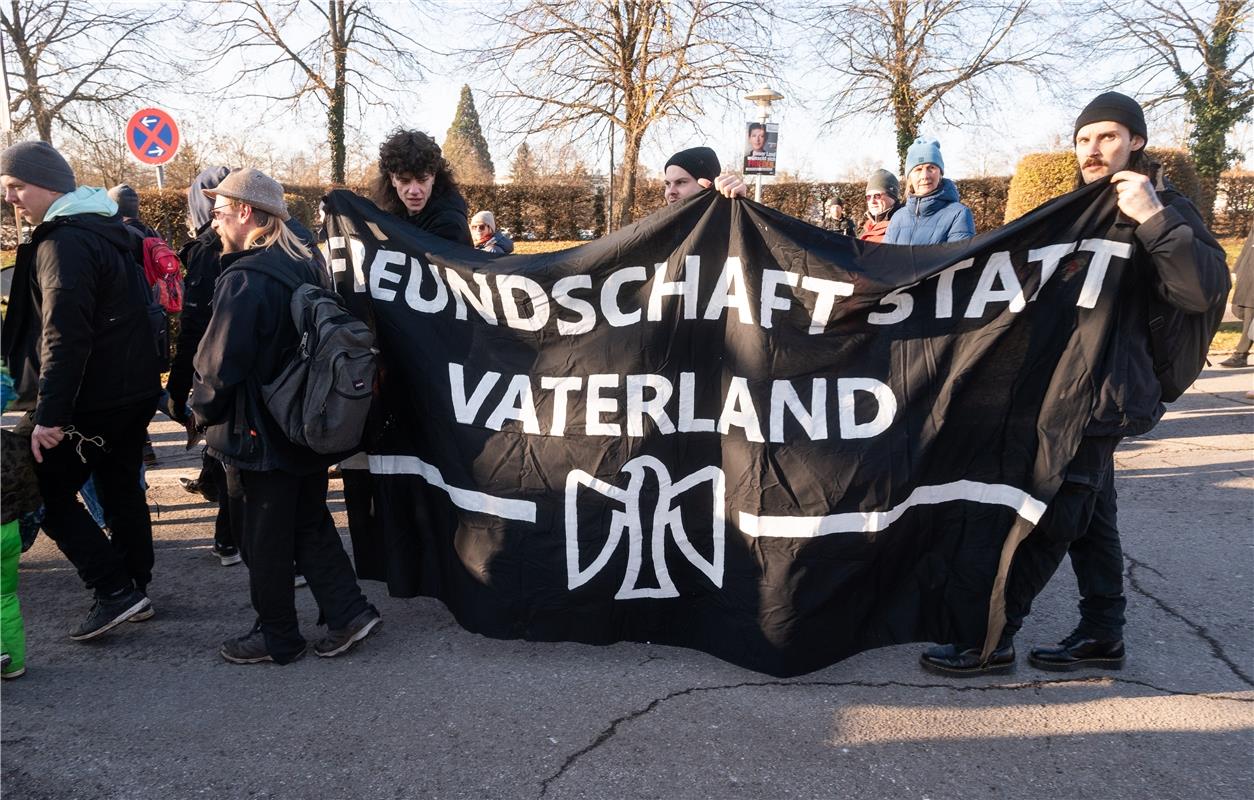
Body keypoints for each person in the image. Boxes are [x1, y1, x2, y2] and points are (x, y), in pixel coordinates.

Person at [920, 91, 1230, 676]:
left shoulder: (1165, 207)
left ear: (1136, 141)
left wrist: (1154, 218)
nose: (1093, 149)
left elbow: (1201, 292)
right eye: (1084, 139)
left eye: (1108, 136)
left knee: (1055, 514)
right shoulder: (1077, 209)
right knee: (1094, 519)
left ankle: (992, 638)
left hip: (1104, 395)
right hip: (1067, 388)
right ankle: (1102, 631)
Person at [190, 168, 381, 664]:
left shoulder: (245, 278)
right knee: (309, 521)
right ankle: (349, 613)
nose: (214, 223)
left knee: (264, 536)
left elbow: (219, 364)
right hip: (305, 420)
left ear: (246, 213)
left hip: (257, 432)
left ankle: (276, 635)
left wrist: (200, 410)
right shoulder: (304, 263)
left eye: (220, 212)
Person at [0, 141, 160, 640]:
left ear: (46, 184)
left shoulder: (63, 243)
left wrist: (49, 414)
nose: (11, 199)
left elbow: (65, 335)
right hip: (132, 391)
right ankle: (136, 585)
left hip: (90, 398)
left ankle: (114, 590)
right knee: (119, 485)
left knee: (43, 489)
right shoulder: (109, 228)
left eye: (16, 187)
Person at [166, 166, 244, 567]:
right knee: (227, 454)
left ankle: (229, 540)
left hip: (219, 370)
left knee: (232, 456)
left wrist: (180, 391)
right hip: (237, 369)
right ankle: (226, 531)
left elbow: (196, 327)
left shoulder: (207, 251)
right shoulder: (256, 245)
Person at [373, 129, 471, 245]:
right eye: (404, 181)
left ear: (433, 177)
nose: (414, 190)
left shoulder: (451, 224)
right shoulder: (387, 214)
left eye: (422, 180)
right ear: (392, 179)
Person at [884, 138, 975, 245]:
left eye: (931, 168)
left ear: (940, 174)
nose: (925, 176)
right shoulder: (898, 217)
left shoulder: (958, 214)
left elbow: (959, 259)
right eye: (918, 169)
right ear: (910, 177)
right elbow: (885, 258)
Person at [1219, 228, 1253, 368]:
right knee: (1240, 309)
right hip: (1249, 268)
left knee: (1250, 311)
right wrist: (1237, 269)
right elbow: (1249, 243)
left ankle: (1241, 354)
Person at [860, 169, 902, 243]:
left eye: (877, 196)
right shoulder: (866, 227)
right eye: (868, 197)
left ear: (892, 197)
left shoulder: (902, 226)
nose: (872, 201)